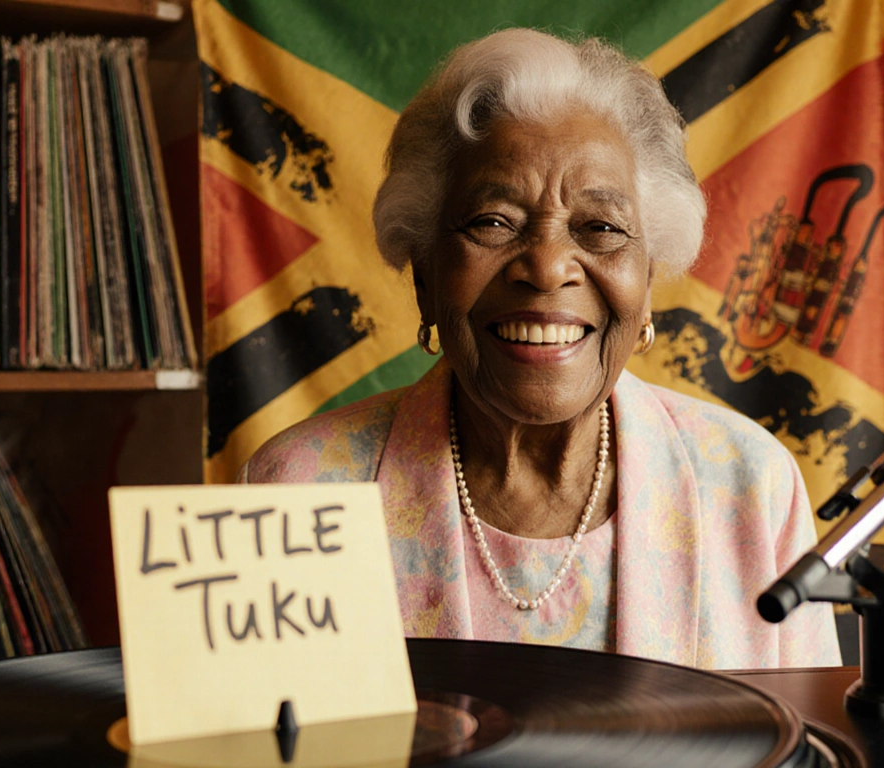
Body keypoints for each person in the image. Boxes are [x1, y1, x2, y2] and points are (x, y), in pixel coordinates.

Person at [242, 28, 840, 670]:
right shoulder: (299, 491)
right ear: (425, 274)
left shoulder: (750, 486)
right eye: (493, 222)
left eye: (601, 228)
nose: (549, 266)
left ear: (647, 283)